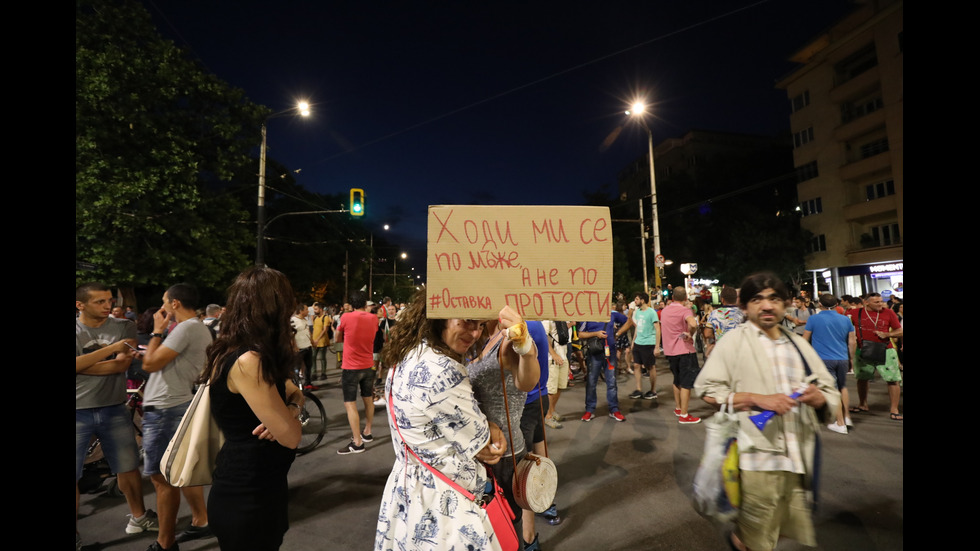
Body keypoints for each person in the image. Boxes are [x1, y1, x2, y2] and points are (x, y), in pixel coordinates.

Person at [694, 272, 840, 551]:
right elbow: (708, 389)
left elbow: (828, 388)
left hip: (799, 458)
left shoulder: (798, 345)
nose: (766, 306)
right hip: (756, 458)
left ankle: (740, 540)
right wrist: (756, 399)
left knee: (786, 526)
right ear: (745, 307)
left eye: (774, 298)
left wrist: (820, 399)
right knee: (762, 537)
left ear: (785, 304)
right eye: (757, 299)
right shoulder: (734, 342)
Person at [376, 292, 508, 551]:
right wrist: (492, 426)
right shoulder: (443, 369)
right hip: (445, 504)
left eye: (481, 325)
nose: (475, 333)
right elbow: (486, 448)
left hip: (406, 490)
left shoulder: (409, 353)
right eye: (468, 320)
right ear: (440, 315)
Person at [201, 267, 304, 551]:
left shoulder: (241, 350)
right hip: (247, 494)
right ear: (275, 307)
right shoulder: (249, 361)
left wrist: (291, 409)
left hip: (261, 486)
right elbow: (291, 437)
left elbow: (295, 393)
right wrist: (288, 416)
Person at [76, 283, 156, 550]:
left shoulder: (124, 326)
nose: (107, 306)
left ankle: (139, 517)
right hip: (77, 409)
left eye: (109, 300)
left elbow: (123, 363)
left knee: (128, 467)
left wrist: (84, 365)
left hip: (114, 406)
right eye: (99, 302)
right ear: (80, 305)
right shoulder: (112, 335)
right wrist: (110, 350)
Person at [139, 283, 215, 550]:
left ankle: (165, 543)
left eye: (164, 302)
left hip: (164, 409)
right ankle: (201, 520)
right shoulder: (196, 328)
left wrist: (157, 332)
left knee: (162, 479)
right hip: (174, 404)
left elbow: (150, 364)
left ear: (175, 304)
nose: (161, 307)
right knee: (179, 471)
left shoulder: (185, 327)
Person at [469, 310, 541, 550]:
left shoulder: (508, 338)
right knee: (481, 526)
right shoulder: (477, 335)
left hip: (503, 454)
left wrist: (527, 349)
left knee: (505, 527)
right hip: (475, 450)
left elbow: (527, 381)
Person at [803, 293, 856, 434]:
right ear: (836, 305)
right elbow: (852, 341)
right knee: (842, 387)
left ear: (820, 304)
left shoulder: (813, 319)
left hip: (823, 359)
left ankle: (840, 423)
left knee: (832, 389)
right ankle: (847, 417)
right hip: (842, 358)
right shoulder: (845, 320)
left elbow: (804, 340)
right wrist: (851, 358)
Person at [848, 292, 904, 420]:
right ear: (866, 303)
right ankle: (863, 404)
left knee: (893, 379)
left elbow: (900, 331)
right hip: (863, 350)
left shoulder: (888, 313)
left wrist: (887, 335)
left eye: (881, 301)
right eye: (877, 302)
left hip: (886, 350)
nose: (881, 304)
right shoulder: (856, 313)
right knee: (862, 378)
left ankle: (894, 409)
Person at [335, 291, 377, 454]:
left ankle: (357, 442)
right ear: (365, 303)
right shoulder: (374, 318)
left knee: (350, 403)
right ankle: (367, 432)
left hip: (351, 367)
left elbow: (338, 337)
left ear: (351, 304)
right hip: (368, 365)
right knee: (368, 399)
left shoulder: (346, 317)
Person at [660, 287, 702, 424]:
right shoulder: (685, 310)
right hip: (684, 350)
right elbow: (693, 323)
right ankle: (684, 415)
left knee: (676, 379)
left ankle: (678, 407)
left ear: (672, 297)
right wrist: (691, 332)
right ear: (685, 298)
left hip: (670, 351)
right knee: (686, 383)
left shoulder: (665, 311)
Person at [578, 315, 624, 422]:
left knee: (611, 381)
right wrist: (596, 334)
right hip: (594, 353)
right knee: (591, 382)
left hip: (610, 353)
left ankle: (614, 409)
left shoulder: (611, 313)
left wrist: (618, 333)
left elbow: (629, 320)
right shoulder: (587, 315)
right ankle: (589, 410)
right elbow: (580, 334)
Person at [617, 292, 660, 400]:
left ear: (643, 300)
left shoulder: (651, 312)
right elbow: (637, 327)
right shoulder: (637, 312)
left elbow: (658, 329)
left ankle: (653, 390)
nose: (635, 301)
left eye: (636, 299)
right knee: (636, 365)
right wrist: (633, 342)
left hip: (649, 343)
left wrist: (657, 346)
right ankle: (639, 389)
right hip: (638, 343)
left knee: (650, 367)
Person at [703, 286, 745, 359]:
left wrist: (718, 335)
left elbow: (707, 334)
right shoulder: (743, 313)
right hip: (740, 352)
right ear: (736, 299)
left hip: (721, 352)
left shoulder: (714, 313)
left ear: (722, 299)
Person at [291, 304, 316, 391]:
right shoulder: (293, 320)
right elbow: (291, 335)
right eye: (306, 309)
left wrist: (312, 341)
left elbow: (308, 331)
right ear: (301, 311)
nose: (308, 311)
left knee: (308, 366)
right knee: (297, 368)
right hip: (299, 348)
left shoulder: (305, 320)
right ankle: (297, 386)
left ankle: (308, 383)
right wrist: (295, 346)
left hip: (307, 346)